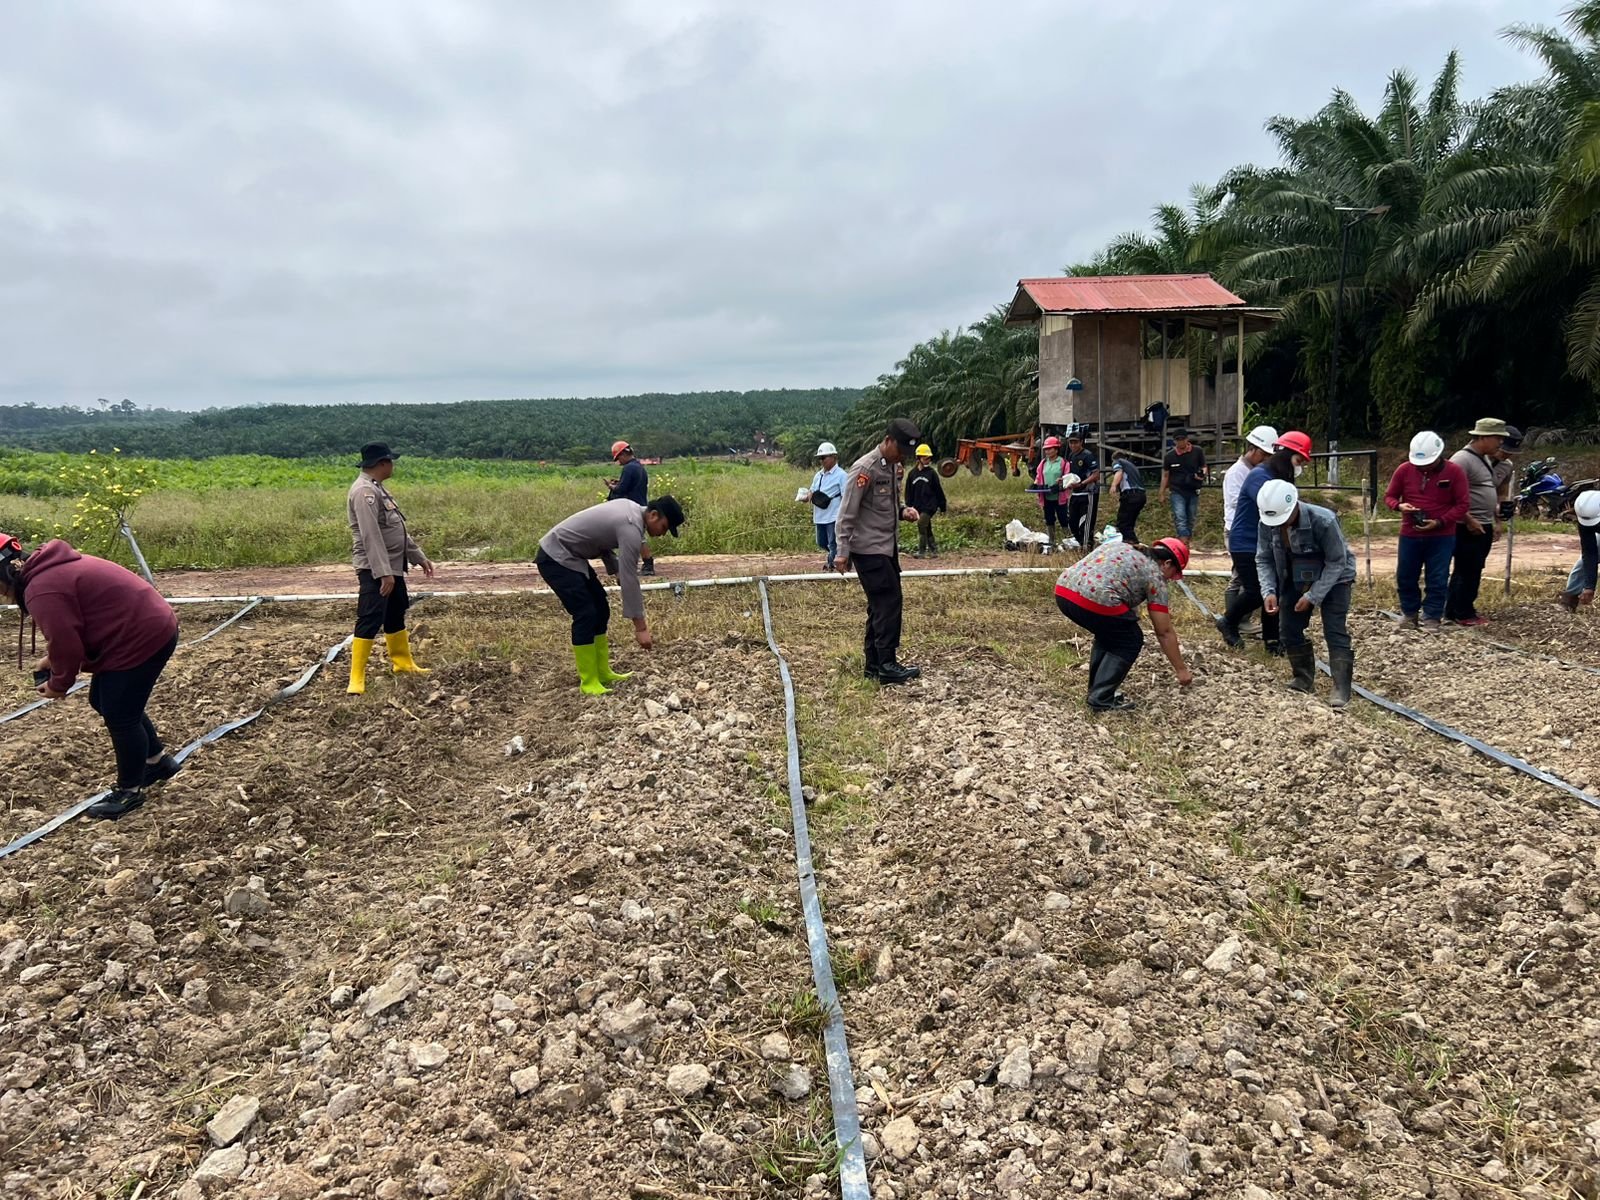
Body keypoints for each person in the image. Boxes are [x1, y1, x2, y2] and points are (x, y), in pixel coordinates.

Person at [0, 534, 180, 820]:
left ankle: (129, 792)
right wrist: (55, 660)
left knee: (121, 714)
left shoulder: (41, 589)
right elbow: (71, 631)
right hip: (141, 626)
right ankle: (157, 762)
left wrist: (59, 683)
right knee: (104, 701)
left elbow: (67, 645)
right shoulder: (45, 572)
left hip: (142, 635)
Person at [536, 495, 686, 694]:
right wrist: (641, 628)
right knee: (586, 613)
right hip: (556, 557)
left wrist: (615, 570)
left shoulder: (630, 509)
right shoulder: (631, 526)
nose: (662, 534)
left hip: (572, 557)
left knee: (601, 608)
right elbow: (630, 578)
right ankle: (589, 682)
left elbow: (601, 539)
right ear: (653, 515)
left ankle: (602, 672)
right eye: (664, 527)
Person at [1053, 537, 1195, 712]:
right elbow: (1164, 631)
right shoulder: (1155, 576)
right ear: (1167, 563)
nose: (1170, 579)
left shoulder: (1123, 547)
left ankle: (1096, 692)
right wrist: (1181, 670)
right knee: (1130, 640)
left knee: (1110, 633)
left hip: (1063, 590)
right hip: (1095, 598)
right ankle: (1101, 699)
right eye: (1173, 574)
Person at [1254, 480, 1358, 708]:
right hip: (1295, 574)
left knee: (1334, 629)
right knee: (1288, 628)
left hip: (1336, 577)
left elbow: (1337, 561)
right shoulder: (1266, 523)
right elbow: (1264, 558)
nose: (1280, 524)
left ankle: (1341, 687)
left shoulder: (1324, 520)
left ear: (1294, 507)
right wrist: (1268, 591)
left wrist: (1313, 596)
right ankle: (1303, 678)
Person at [837, 418, 923, 685]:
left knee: (879, 606)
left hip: (886, 548)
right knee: (888, 603)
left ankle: (874, 665)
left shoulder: (892, 466)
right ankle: (887, 664)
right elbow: (847, 512)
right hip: (869, 549)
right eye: (900, 450)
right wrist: (842, 551)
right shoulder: (865, 468)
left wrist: (903, 511)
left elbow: (887, 505)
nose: (902, 457)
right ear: (888, 441)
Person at [347, 442, 435, 695]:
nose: (393, 466)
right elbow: (371, 535)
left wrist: (417, 556)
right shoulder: (364, 492)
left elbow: (396, 528)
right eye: (390, 461)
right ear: (382, 463)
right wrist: (383, 572)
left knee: (396, 612)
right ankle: (357, 677)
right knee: (370, 616)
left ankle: (403, 663)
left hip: (393, 565)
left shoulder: (378, 488)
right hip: (375, 568)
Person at [1217, 431, 1312, 653]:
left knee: (1273, 590)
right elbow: (1278, 507)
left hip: (1267, 542)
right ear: (1286, 456)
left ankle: (1272, 640)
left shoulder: (1275, 477)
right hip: (1246, 542)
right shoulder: (1260, 477)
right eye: (1298, 461)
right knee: (1256, 591)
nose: (1299, 467)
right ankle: (1228, 621)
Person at [1385, 430, 1469, 631]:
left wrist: (1440, 522)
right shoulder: (1404, 470)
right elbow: (1389, 496)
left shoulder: (1454, 472)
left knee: (1438, 577)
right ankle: (1409, 613)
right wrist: (1399, 506)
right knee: (1405, 575)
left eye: (1427, 463)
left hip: (1442, 535)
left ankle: (1432, 616)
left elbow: (1463, 504)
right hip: (1410, 533)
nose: (1423, 467)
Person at [1443, 419, 1510, 626]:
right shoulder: (1462, 460)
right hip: (1467, 525)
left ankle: (1455, 609)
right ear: (1482, 437)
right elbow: (1449, 494)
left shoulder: (1484, 459)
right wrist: (1469, 519)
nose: (1500, 442)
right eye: (1497, 438)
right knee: (1467, 569)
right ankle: (1463, 612)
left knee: (1472, 568)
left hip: (1482, 522)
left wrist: (1496, 516)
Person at [1221, 425, 1280, 612]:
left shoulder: (1258, 471)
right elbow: (1235, 501)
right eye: (1263, 454)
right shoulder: (1237, 472)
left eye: (1269, 455)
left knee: (1250, 576)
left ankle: (1239, 616)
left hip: (1253, 529)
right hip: (1236, 529)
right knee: (1240, 576)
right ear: (1252, 449)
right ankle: (1233, 617)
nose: (1265, 459)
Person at [607, 440, 656, 577]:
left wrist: (612, 487)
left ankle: (648, 565)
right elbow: (633, 485)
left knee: (638, 538)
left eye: (618, 458)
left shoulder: (628, 468)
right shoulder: (639, 467)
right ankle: (644, 564)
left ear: (623, 454)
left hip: (632, 508)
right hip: (641, 505)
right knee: (637, 537)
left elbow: (622, 489)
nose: (619, 462)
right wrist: (620, 483)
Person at [802, 441, 848, 571]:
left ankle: (832, 565)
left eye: (824, 457)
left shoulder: (842, 475)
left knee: (833, 543)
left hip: (834, 516)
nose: (821, 461)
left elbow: (846, 496)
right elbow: (812, 490)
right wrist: (806, 497)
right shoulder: (818, 475)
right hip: (820, 515)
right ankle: (842, 556)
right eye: (820, 458)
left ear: (834, 457)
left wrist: (844, 516)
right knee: (821, 542)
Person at [1160, 429, 1208, 544]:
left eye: (1182, 439)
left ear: (1187, 439)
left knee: (1191, 518)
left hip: (1193, 488)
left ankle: (1187, 540)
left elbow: (1204, 466)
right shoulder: (1169, 456)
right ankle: (1183, 542)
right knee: (1180, 517)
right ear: (1174, 441)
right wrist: (1161, 492)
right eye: (1178, 440)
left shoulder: (1197, 451)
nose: (1180, 442)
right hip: (1177, 489)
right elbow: (1166, 475)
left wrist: (1202, 474)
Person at [906, 444, 948, 558]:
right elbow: (908, 491)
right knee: (926, 526)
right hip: (918, 506)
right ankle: (934, 550)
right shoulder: (912, 474)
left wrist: (942, 506)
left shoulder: (932, 473)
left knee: (921, 524)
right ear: (919, 458)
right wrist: (909, 506)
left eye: (929, 458)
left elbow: (938, 490)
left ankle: (922, 551)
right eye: (926, 458)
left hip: (930, 506)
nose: (928, 460)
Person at [1562, 491, 1600, 608]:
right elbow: (1589, 552)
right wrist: (1589, 586)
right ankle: (1569, 600)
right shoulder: (1586, 517)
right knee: (1582, 564)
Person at [1065, 432, 1101, 550]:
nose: (1073, 445)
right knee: (1072, 522)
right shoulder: (1071, 456)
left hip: (1088, 493)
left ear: (1081, 442)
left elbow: (1096, 474)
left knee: (1086, 524)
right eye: (1071, 442)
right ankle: (1081, 543)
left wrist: (1082, 484)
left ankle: (1087, 547)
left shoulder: (1087, 455)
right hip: (1075, 493)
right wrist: (1065, 480)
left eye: (1075, 442)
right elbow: (1072, 474)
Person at [1034, 436, 1072, 546]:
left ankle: (1069, 541)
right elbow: (1039, 476)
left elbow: (1068, 478)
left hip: (1060, 496)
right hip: (1046, 496)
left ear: (1056, 449)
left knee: (1063, 519)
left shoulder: (1063, 463)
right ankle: (1051, 541)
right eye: (1046, 449)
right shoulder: (1043, 463)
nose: (1047, 451)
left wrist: (1060, 484)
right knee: (1049, 519)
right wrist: (1035, 485)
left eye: (1050, 449)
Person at [1108, 454, 1146, 544]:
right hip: (1141, 495)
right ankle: (1132, 543)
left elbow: (1119, 472)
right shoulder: (1132, 466)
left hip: (1130, 495)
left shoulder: (1118, 461)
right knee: (1129, 524)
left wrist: (1113, 485)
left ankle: (1133, 544)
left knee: (1123, 524)